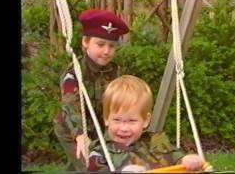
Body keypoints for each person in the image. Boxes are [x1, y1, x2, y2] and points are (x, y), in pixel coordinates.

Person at [53, 9, 129, 171]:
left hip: (99, 127)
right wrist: (80, 135)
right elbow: (70, 105)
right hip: (72, 128)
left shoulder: (115, 71)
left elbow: (122, 100)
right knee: (90, 165)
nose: (107, 51)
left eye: (112, 46)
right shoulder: (74, 73)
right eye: (100, 44)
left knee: (111, 160)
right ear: (86, 42)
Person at [87, 75, 205, 172]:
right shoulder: (100, 153)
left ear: (145, 120)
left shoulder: (154, 143)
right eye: (117, 120)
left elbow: (176, 157)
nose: (124, 128)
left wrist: (187, 160)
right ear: (106, 118)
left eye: (132, 121)